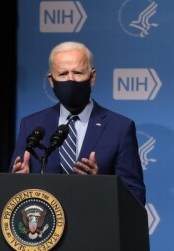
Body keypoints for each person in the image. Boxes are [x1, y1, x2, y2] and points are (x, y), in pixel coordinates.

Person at [10, 41, 146, 205]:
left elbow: (136, 197)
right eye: (63, 74)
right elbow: (14, 195)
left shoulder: (119, 128)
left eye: (78, 72)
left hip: (95, 226)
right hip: (44, 226)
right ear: (51, 80)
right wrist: (16, 183)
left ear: (92, 77)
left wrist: (101, 186)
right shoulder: (31, 125)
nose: (71, 80)